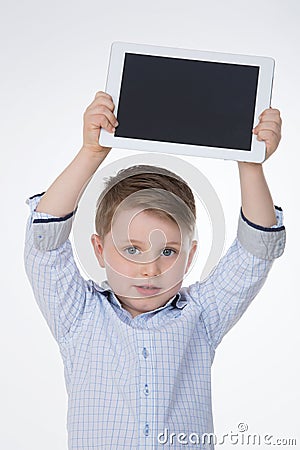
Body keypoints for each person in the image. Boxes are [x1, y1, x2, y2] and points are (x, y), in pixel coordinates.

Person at [24, 91, 286, 449]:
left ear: (190, 257)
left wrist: (250, 163)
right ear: (99, 250)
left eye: (168, 251)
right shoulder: (78, 314)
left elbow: (256, 251)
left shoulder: (202, 316)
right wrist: (91, 153)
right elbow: (45, 242)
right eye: (131, 249)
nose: (150, 269)